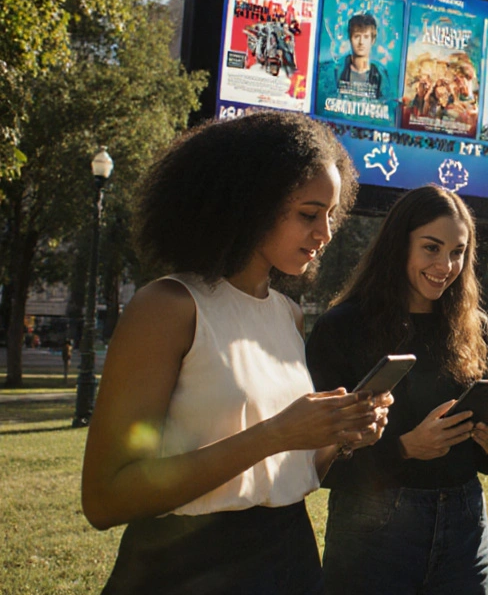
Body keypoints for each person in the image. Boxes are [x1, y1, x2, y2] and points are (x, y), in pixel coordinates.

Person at [81, 111, 391, 595]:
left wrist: (341, 436)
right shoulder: (168, 307)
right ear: (250, 203)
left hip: (291, 556)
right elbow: (105, 499)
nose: (325, 234)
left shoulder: (288, 314)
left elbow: (289, 474)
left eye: (332, 215)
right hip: (186, 566)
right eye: (309, 214)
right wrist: (275, 433)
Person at [306, 184, 488, 595]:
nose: (446, 265)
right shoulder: (342, 328)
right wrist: (404, 448)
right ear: (399, 245)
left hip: (465, 525)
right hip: (372, 527)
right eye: (431, 248)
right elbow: (315, 463)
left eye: (458, 252)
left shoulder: (477, 329)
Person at [318, 12, 388, 101]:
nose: (361, 42)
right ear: (350, 38)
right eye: (357, 36)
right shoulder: (334, 71)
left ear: (372, 40)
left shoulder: (380, 75)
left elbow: (386, 104)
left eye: (366, 37)